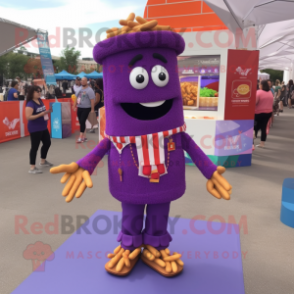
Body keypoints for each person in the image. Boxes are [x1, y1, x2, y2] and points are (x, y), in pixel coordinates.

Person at [25, 86, 53, 174]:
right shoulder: (30, 103)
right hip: (35, 128)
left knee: (47, 143)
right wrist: (41, 114)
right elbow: (28, 117)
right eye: (37, 91)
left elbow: (42, 112)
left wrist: (47, 112)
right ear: (32, 92)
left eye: (40, 91)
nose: (39, 92)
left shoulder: (40, 100)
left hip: (43, 127)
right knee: (35, 147)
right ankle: (32, 167)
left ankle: (43, 161)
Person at [74, 77, 95, 143]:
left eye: (84, 80)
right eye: (81, 80)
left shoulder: (90, 90)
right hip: (79, 107)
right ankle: (84, 137)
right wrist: (74, 105)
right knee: (81, 122)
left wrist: (92, 109)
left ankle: (80, 137)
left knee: (82, 121)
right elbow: (76, 97)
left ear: (87, 81)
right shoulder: (79, 89)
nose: (82, 81)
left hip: (86, 108)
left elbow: (92, 100)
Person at [254, 80, 274, 148]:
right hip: (268, 113)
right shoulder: (270, 92)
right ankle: (262, 143)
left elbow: (255, 102)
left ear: (262, 85)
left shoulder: (258, 92)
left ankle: (252, 142)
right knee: (264, 127)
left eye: (259, 84)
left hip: (258, 113)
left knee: (255, 127)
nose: (259, 85)